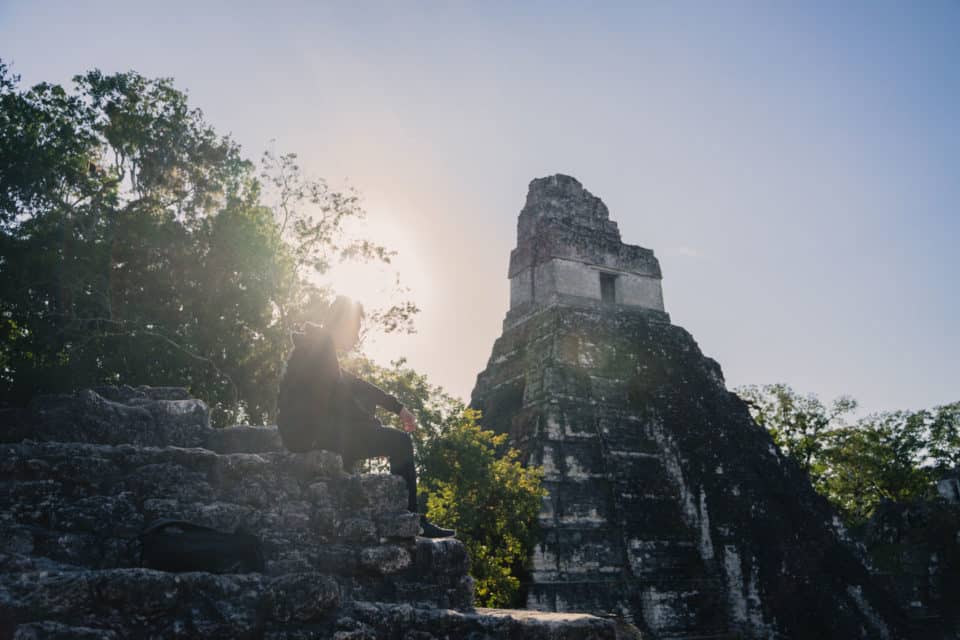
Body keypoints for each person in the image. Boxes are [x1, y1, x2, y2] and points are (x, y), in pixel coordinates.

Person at [276, 296, 454, 539]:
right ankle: (413, 521)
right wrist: (371, 423)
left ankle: (355, 510)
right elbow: (339, 399)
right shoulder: (321, 350)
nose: (357, 336)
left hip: (304, 433)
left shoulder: (316, 345)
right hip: (310, 435)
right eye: (356, 329)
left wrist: (397, 408)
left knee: (365, 427)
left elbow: (355, 385)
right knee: (400, 442)